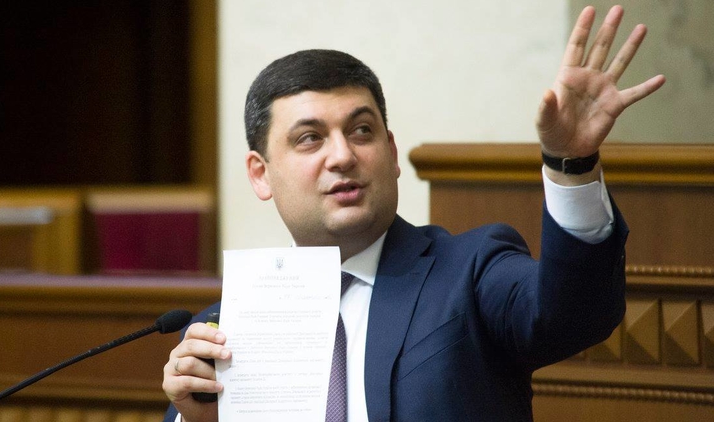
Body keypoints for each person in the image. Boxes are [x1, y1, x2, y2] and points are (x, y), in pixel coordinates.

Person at [162, 5, 665, 422]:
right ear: (260, 174)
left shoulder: (470, 271)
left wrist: (570, 163)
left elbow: (571, 315)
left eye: (361, 131)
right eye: (310, 138)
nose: (343, 156)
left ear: (391, 151)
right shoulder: (225, 331)